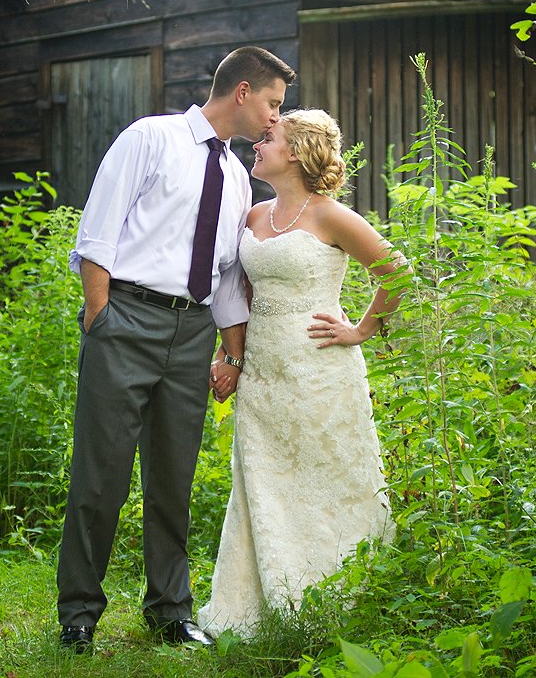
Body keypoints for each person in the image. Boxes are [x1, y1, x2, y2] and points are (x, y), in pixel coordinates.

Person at [57, 46, 297, 653]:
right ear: (242, 92)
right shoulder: (150, 138)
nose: (275, 118)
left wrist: (231, 353)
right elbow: (98, 233)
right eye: (272, 103)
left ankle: (170, 610)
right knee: (100, 475)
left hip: (192, 336)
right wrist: (100, 314)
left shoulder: (240, 180)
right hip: (125, 321)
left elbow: (225, 278)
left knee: (174, 479)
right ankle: (79, 612)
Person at [198, 108, 405, 638]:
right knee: (263, 482)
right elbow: (234, 294)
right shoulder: (251, 215)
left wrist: (359, 330)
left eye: (268, 138)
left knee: (328, 476)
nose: (258, 144)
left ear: (295, 153)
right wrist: (230, 357)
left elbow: (396, 271)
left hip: (319, 371)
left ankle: (344, 598)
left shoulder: (330, 216)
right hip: (263, 373)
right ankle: (263, 605)